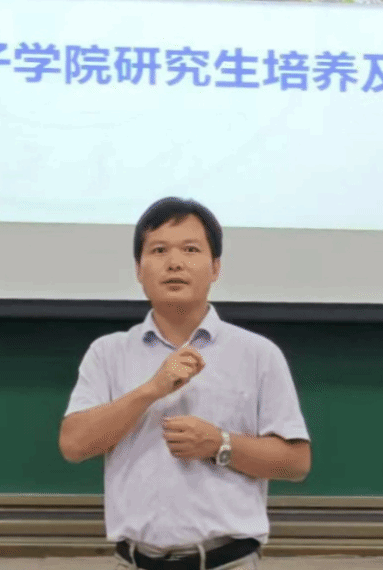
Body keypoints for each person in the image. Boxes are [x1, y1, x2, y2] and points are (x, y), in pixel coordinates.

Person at [59, 196, 311, 570]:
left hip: (228, 562)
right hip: (133, 561)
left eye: (190, 250)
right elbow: (74, 445)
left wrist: (219, 444)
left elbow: (296, 462)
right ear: (139, 270)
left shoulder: (258, 353)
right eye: (159, 250)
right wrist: (151, 390)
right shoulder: (108, 352)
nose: (174, 263)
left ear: (215, 267)